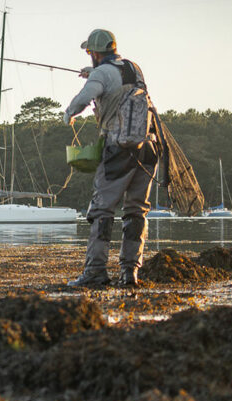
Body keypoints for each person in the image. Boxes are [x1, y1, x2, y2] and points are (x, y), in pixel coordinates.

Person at [62, 28, 159, 288]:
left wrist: (69, 112)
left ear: (93, 52)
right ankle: (130, 273)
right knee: (136, 211)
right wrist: (93, 72)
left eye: (89, 52)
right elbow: (114, 78)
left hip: (119, 150)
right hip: (149, 148)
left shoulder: (102, 73)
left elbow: (86, 96)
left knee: (102, 210)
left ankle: (95, 271)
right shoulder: (133, 68)